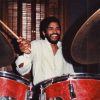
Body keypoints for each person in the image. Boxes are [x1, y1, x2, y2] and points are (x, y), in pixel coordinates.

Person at [15, 16, 74, 99]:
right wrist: (26, 54)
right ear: (44, 33)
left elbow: (70, 75)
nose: (55, 31)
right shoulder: (36, 45)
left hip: (61, 95)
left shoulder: (64, 48)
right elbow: (21, 70)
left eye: (57, 28)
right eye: (51, 28)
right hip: (41, 95)